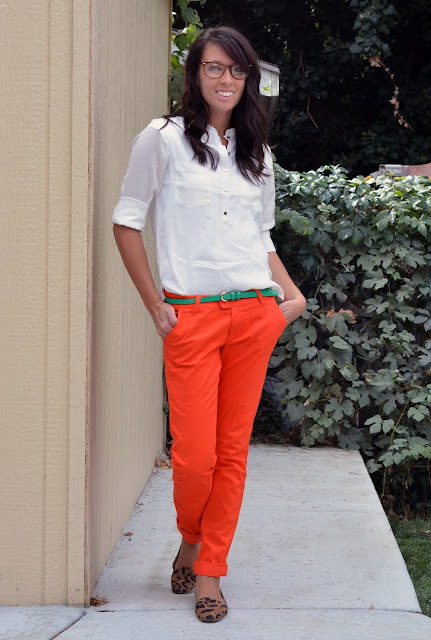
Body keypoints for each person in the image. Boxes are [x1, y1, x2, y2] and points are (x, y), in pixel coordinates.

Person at [112, 25, 307, 623]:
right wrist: (155, 305)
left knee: (231, 454)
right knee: (195, 457)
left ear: (248, 80)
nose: (227, 79)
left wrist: (290, 297)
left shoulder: (258, 154)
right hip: (191, 318)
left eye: (237, 70)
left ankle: (210, 572)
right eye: (215, 68)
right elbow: (126, 221)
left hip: (253, 314)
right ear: (195, 74)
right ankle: (191, 537)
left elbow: (261, 236)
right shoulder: (163, 139)